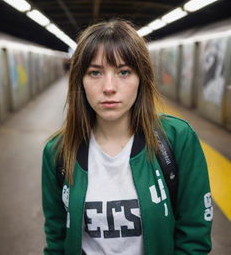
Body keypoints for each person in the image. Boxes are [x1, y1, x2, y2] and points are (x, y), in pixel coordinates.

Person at [41, 19, 213, 255]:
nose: (109, 87)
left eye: (123, 72)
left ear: (141, 78)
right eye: (95, 72)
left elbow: (194, 236)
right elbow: (57, 236)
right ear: (79, 81)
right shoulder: (58, 151)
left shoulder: (176, 139)